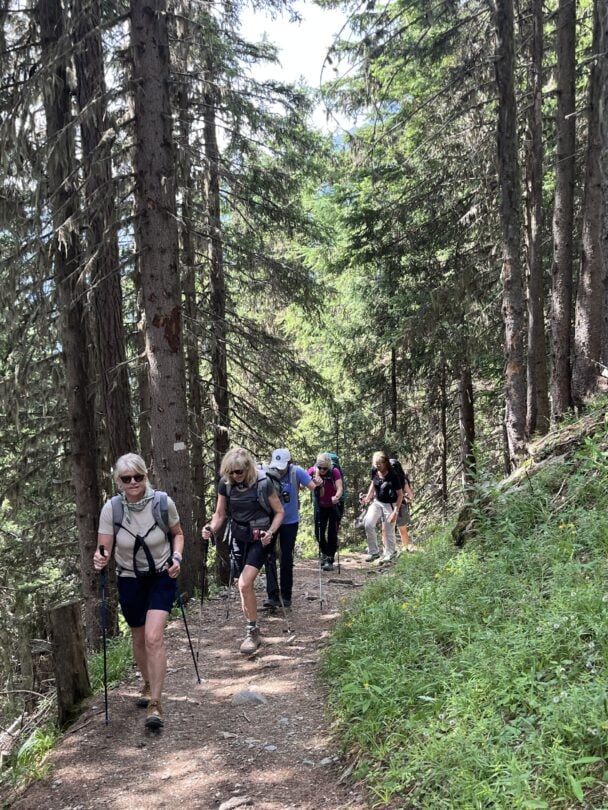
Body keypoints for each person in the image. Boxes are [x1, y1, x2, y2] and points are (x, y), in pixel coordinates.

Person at [93, 453, 184, 730]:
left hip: (161, 575)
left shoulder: (162, 502)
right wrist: (100, 558)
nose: (133, 482)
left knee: (154, 637)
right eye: (126, 478)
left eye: (138, 477)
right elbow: (103, 546)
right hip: (129, 578)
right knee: (139, 637)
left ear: (146, 475)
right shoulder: (112, 509)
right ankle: (147, 682)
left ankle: (155, 703)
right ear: (118, 482)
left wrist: (177, 558)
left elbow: (177, 533)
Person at [202, 448, 284, 654]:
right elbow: (220, 514)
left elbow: (279, 512)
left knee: (244, 582)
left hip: (260, 538)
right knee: (242, 585)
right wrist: (211, 528)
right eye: (230, 472)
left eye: (238, 472)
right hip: (238, 538)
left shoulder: (263, 484)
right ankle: (252, 626)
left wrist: (271, 532)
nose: (235, 476)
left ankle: (251, 632)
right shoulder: (226, 485)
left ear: (248, 469)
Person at [263, 448, 317, 610]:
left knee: (286, 558)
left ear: (289, 462)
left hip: (290, 521)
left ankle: (286, 596)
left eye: (282, 466)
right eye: (277, 467)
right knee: (269, 556)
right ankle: (272, 596)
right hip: (271, 521)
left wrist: (318, 486)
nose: (279, 470)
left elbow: (313, 487)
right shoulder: (266, 473)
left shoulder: (296, 472)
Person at [362, 451, 403, 563]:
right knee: (368, 523)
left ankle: (390, 552)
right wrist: (368, 497)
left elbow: (400, 495)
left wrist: (395, 511)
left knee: (389, 529)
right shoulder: (374, 470)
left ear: (385, 463)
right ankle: (373, 552)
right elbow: (373, 483)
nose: (377, 466)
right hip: (377, 501)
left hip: (390, 504)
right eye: (375, 464)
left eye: (379, 464)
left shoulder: (393, 475)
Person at [308, 452, 343, 572]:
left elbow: (340, 487)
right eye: (320, 467)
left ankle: (330, 559)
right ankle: (323, 552)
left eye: (325, 468)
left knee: (332, 532)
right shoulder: (312, 471)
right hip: (320, 506)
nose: (322, 470)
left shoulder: (334, 472)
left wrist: (336, 497)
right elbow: (304, 482)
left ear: (329, 466)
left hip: (333, 505)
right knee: (319, 532)